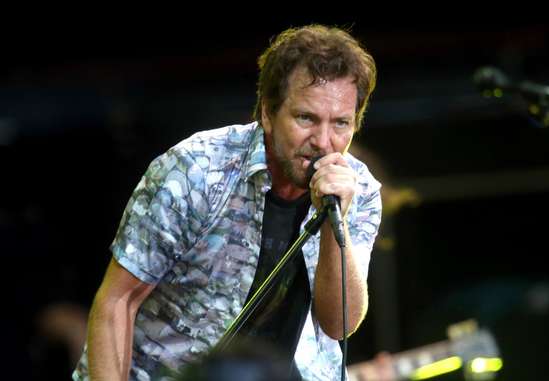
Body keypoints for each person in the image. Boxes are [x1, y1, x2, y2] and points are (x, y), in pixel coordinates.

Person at [73, 24, 382, 381]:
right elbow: (117, 302)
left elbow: (339, 324)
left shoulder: (357, 191)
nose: (324, 141)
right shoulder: (195, 172)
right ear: (267, 112)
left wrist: (334, 221)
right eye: (306, 118)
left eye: (341, 123)